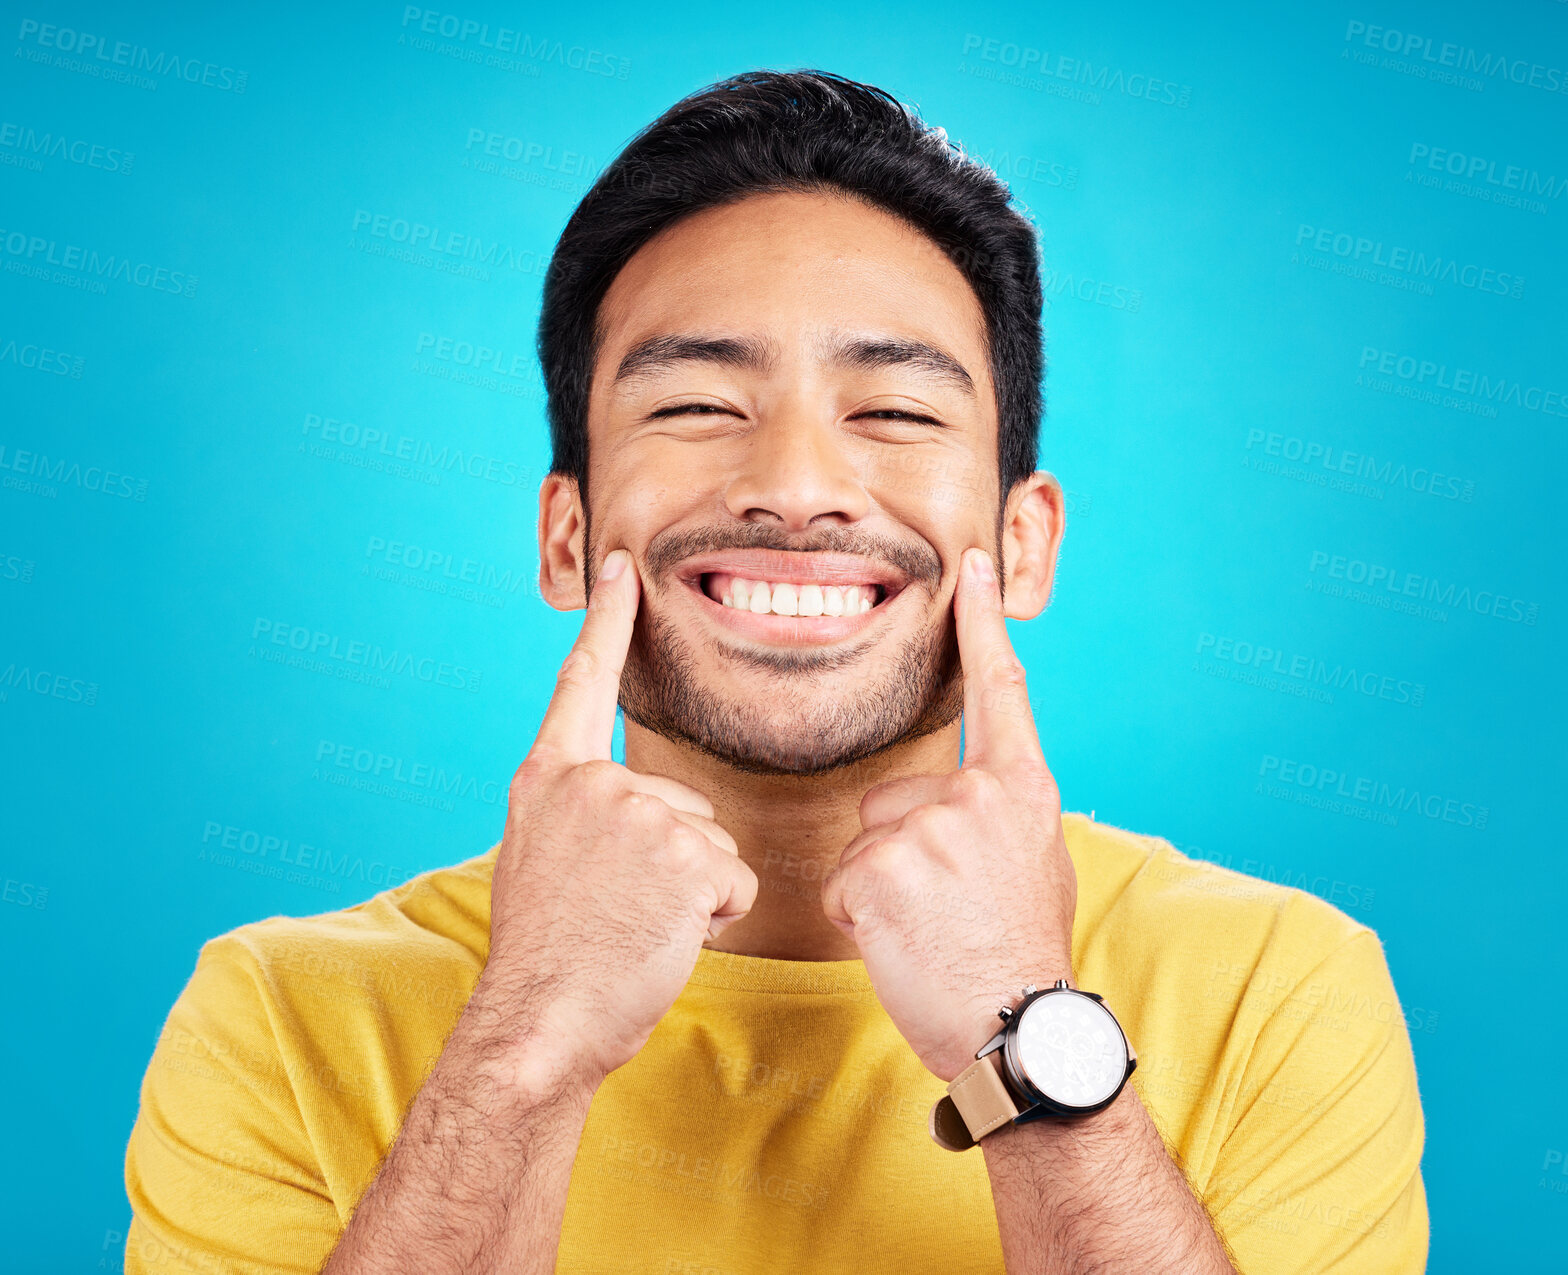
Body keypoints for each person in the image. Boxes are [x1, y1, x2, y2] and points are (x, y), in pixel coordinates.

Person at [123, 70, 1427, 1274]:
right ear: (568, 537)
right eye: (695, 404)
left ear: (1022, 547)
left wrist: (1029, 1034)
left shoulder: (1278, 989)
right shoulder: (285, 1014)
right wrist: (526, 1048)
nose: (797, 488)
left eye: (897, 413)